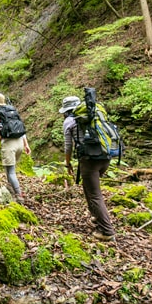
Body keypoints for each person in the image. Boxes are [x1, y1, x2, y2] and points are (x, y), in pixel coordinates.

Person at [60, 95, 115, 241]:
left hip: (89, 160)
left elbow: (68, 146)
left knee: (95, 194)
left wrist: (68, 163)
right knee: (89, 188)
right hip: (105, 156)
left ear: (66, 110)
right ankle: (97, 217)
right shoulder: (94, 114)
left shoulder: (69, 122)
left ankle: (107, 231)